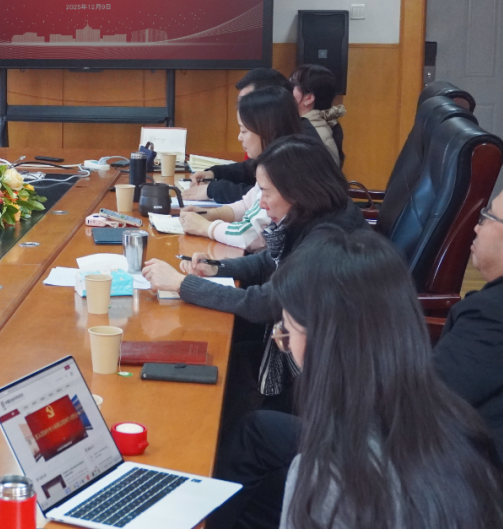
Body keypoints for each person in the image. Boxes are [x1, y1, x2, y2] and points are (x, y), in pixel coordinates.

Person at [271, 227, 503, 528]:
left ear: (321, 343)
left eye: (285, 334)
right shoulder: (468, 432)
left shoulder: (329, 476)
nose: (287, 346)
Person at [144, 135, 365, 413]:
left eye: (266, 193)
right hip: (303, 347)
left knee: (217, 362)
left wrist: (181, 284)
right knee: (222, 353)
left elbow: (263, 303)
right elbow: (270, 261)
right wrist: (216, 267)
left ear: (297, 190)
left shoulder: (329, 241)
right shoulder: (319, 214)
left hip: (323, 381)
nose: (261, 204)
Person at [434, 181, 503, 480]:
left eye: (488, 217)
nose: (476, 227)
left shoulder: (496, 315)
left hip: (476, 485)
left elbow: (424, 400)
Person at [179, 87, 302, 251]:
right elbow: (247, 205)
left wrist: (206, 228)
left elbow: (251, 235)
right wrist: (212, 214)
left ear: (267, 130)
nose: (239, 137)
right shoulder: (274, 161)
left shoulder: (284, 170)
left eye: (244, 131)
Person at [289, 64, 345, 166]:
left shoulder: (309, 133)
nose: (286, 89)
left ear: (309, 98)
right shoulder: (308, 126)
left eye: (292, 84)